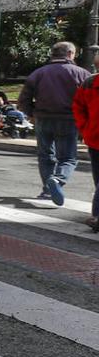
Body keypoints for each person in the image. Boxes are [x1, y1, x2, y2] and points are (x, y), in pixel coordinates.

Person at [18, 41, 91, 206]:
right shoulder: (82, 73)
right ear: (71, 54)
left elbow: (23, 99)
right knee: (68, 158)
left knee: (45, 156)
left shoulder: (38, 73)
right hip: (69, 119)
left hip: (43, 119)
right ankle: (57, 179)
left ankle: (47, 190)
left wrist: (31, 113)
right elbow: (90, 101)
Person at [73, 50, 99, 232]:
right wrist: (85, 128)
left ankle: (97, 216)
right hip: (94, 138)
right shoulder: (90, 83)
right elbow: (78, 106)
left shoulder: (90, 83)